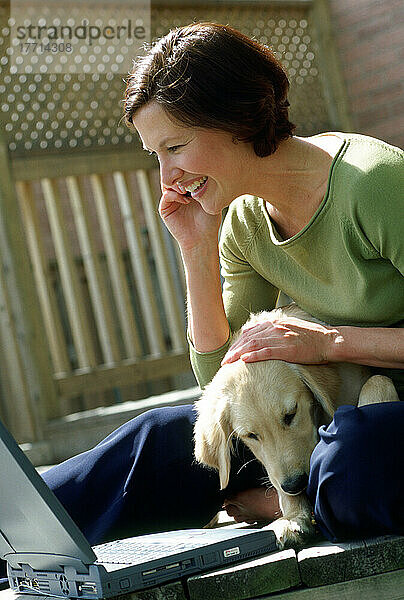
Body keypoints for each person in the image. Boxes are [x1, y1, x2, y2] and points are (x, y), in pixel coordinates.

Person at [8, 24, 404, 569]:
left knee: (358, 461)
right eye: (156, 155)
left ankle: (282, 502)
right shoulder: (244, 220)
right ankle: (12, 539)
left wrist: (333, 342)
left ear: (235, 119)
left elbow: (325, 354)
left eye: (175, 147)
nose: (168, 175)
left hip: (381, 423)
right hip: (312, 430)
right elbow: (221, 381)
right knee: (159, 441)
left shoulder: (375, 185)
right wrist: (196, 249)